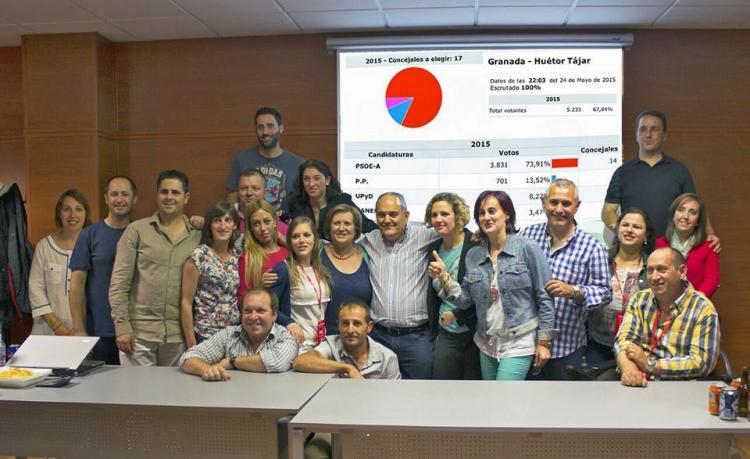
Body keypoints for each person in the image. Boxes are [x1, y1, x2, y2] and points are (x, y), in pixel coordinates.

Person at [430, 191, 556, 381]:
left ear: (506, 214)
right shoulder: (474, 255)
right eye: (482, 213)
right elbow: (465, 301)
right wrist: (445, 278)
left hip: (519, 340)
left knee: (504, 399)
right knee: (492, 400)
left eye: (492, 211)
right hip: (486, 342)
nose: (486, 217)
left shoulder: (527, 248)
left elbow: (544, 296)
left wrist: (545, 342)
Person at [521, 179, 611, 380]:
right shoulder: (526, 236)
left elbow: (605, 293)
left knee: (566, 408)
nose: (559, 209)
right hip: (526, 344)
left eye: (566, 203)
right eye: (554, 202)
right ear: (543, 203)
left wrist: (573, 291)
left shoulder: (592, 246)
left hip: (568, 347)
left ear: (577, 206)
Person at [110, 170, 201, 366]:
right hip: (139, 335)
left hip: (181, 335)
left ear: (186, 198)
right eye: (164, 192)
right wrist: (122, 327)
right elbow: (119, 283)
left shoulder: (198, 235)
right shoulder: (137, 230)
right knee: (136, 396)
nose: (169, 197)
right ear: (156, 195)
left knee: (176, 396)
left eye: (175, 193)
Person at [602, 110, 720, 251]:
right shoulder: (622, 172)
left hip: (671, 252)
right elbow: (607, 211)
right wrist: (626, 231)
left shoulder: (679, 170)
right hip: (633, 252)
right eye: (643, 129)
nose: (648, 134)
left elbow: (695, 207)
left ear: (664, 136)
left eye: (654, 129)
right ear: (636, 135)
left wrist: (710, 233)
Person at [360, 192, 440, 379]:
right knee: (377, 396)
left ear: (406, 215)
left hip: (416, 339)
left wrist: (476, 236)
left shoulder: (425, 236)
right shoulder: (369, 240)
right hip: (378, 337)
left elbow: (454, 231)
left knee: (419, 395)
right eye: (381, 214)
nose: (387, 219)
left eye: (393, 214)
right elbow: (338, 243)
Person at [614, 247, 720, 387]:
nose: (654, 277)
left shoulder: (703, 309)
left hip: (678, 389)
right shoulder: (639, 299)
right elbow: (623, 342)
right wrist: (631, 371)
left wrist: (650, 365)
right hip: (638, 383)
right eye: (650, 270)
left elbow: (701, 362)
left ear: (682, 272)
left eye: (661, 269)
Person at [69, 176, 137, 364]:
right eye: (114, 194)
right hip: (100, 328)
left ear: (134, 199)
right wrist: (78, 327)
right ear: (106, 198)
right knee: (102, 389)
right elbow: (76, 284)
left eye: (125, 194)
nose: (119, 199)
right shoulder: (89, 235)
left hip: (135, 329)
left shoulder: (142, 233)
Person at [179, 287, 298, 380]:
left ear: (274, 315)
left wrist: (232, 362)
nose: (253, 316)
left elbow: (277, 362)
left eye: (260, 310)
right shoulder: (229, 334)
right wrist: (207, 369)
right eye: (247, 311)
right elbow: (188, 357)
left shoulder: (286, 336)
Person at [423, 193, 480, 380]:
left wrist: (458, 314)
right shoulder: (434, 249)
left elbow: (482, 296)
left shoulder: (477, 246)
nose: (438, 219)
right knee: (442, 390)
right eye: (434, 215)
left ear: (458, 215)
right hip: (446, 332)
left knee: (474, 393)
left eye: (445, 214)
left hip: (475, 332)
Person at [586, 208, 652, 366]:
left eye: (636, 227)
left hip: (636, 346)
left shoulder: (653, 266)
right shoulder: (600, 259)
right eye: (625, 225)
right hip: (598, 344)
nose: (629, 230)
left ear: (646, 235)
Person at [29, 189, 91, 335]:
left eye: (78, 209)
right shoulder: (44, 246)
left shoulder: (94, 247)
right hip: (48, 330)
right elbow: (35, 288)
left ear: (86, 214)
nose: (72, 215)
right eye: (66, 209)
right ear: (59, 213)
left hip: (84, 331)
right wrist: (57, 327)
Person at [180, 202, 241, 349]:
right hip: (205, 335)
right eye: (217, 220)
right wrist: (191, 342)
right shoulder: (198, 256)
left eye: (228, 220)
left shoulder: (237, 256)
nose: (222, 226)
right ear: (210, 225)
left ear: (235, 225)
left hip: (233, 335)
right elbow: (186, 303)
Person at [269, 217, 332, 353]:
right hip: (296, 345)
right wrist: (288, 322)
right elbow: (268, 307)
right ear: (290, 242)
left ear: (315, 239)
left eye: (307, 235)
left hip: (322, 344)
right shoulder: (282, 269)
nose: (302, 240)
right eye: (296, 236)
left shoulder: (322, 269)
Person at [294, 300, 400, 379]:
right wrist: (347, 368)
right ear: (338, 325)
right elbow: (300, 361)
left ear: (369, 327)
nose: (350, 330)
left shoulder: (388, 358)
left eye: (356, 323)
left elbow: (393, 399)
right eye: (345, 323)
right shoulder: (331, 345)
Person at [226, 107, 304, 212]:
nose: (265, 132)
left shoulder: (298, 164)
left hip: (285, 225)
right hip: (250, 224)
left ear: (281, 128)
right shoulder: (241, 160)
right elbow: (233, 197)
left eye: (270, 126)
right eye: (260, 127)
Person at [287, 159, 376, 239]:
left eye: (317, 178)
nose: (311, 184)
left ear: (327, 180)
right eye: (306, 179)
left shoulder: (342, 202)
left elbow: (368, 227)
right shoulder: (295, 204)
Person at [320, 204, 372, 336]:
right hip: (322, 338)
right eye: (337, 223)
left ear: (356, 229)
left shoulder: (368, 255)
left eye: (347, 223)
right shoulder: (316, 252)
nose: (341, 228)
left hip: (358, 339)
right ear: (329, 227)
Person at [655, 193, 719, 298]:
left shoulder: (709, 246)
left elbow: (712, 280)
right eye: (681, 210)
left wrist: (693, 302)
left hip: (697, 306)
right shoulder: (659, 244)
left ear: (698, 221)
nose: (685, 216)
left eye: (692, 212)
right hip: (664, 304)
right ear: (673, 216)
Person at [237, 200, 289, 303]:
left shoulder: (288, 252)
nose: (263, 228)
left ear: (275, 221)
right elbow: (241, 300)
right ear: (250, 228)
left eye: (266, 221)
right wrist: (259, 287)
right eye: (256, 224)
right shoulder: (247, 258)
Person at [234, 169, 289, 239]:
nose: (249, 193)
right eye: (244, 188)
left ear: (265, 193)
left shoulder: (279, 226)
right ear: (238, 191)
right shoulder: (227, 221)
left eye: (255, 188)